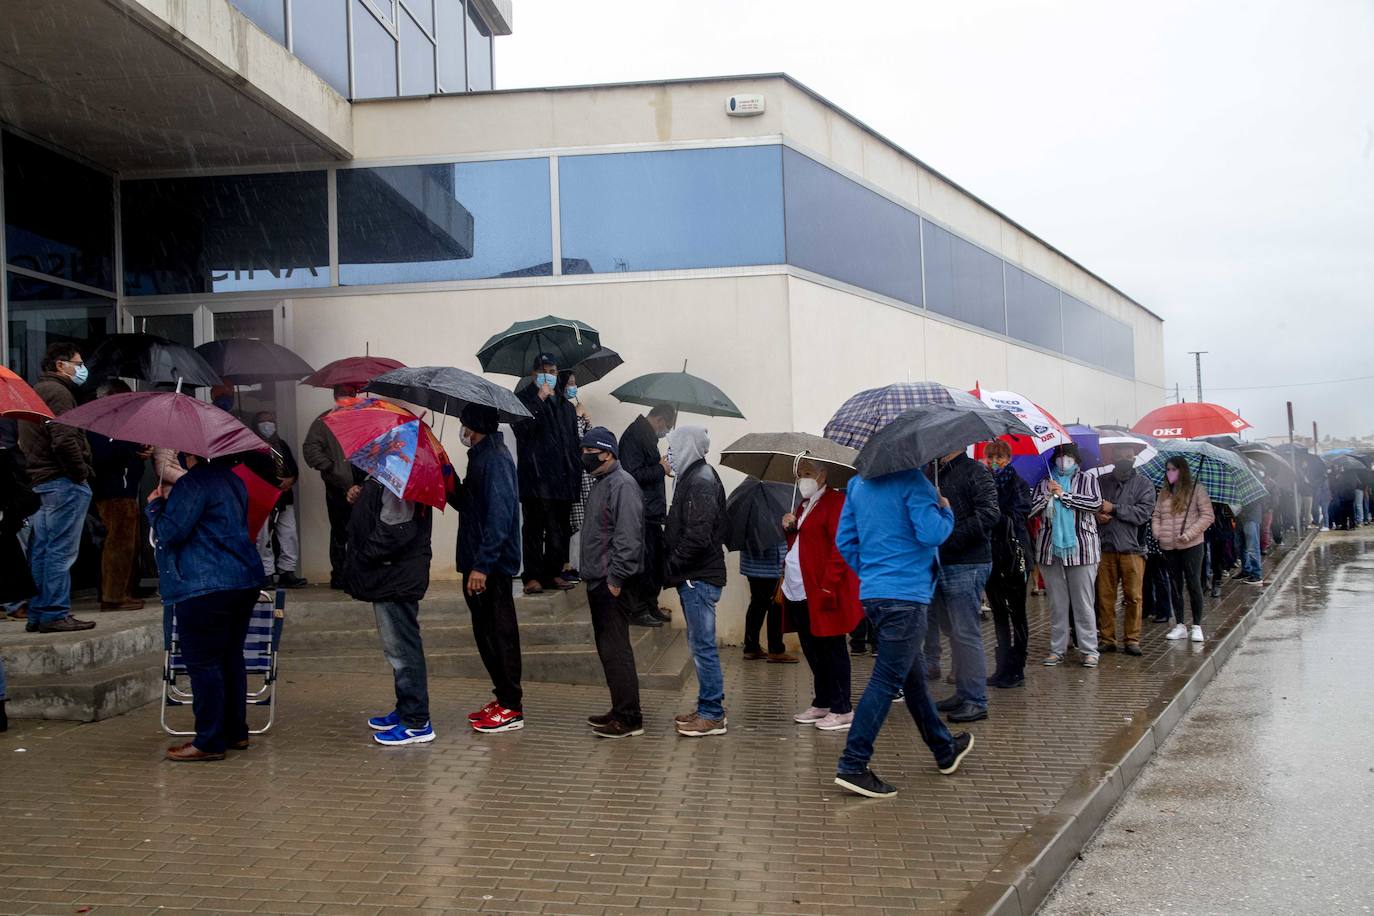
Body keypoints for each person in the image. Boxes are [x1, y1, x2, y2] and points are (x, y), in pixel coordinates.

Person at [832, 464, 972, 799]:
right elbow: (931, 534)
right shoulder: (914, 481)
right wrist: (946, 510)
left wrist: (873, 572)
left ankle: (943, 749)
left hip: (875, 594)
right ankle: (853, 764)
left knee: (914, 680)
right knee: (885, 681)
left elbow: (845, 540)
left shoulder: (857, 483)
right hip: (907, 596)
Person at [146, 453, 264, 761]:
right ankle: (236, 731)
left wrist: (156, 506)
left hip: (205, 584)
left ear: (190, 453)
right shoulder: (234, 480)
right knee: (229, 657)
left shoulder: (193, 483)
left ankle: (210, 740)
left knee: (204, 663)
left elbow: (171, 532)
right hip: (242, 579)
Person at [452, 404, 524, 734]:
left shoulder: (496, 459)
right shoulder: (481, 456)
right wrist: (445, 475)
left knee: (499, 634)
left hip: (490, 567)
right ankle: (502, 696)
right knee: (485, 634)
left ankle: (511, 705)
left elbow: (500, 515)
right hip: (476, 561)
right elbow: (471, 503)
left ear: (473, 426)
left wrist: (482, 565)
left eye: (464, 424)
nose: (462, 431)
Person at [348, 474, 436, 746]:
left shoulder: (401, 476)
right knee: (397, 647)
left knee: (402, 649)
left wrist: (363, 553)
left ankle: (416, 721)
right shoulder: (388, 474)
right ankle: (406, 709)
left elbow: (394, 529)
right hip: (393, 575)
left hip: (395, 576)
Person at [18, 342, 97, 633]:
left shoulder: (36, 391)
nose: (81, 369)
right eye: (77, 363)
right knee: (60, 552)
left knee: (42, 550)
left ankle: (39, 612)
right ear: (60, 365)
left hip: (42, 482)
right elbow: (64, 438)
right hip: (62, 482)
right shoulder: (60, 393)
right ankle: (54, 612)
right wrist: (80, 473)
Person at [782, 459, 861, 731]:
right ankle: (823, 700)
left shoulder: (835, 502)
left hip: (824, 589)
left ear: (823, 475)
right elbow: (803, 543)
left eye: (808, 474)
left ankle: (842, 707)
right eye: (800, 474)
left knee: (831, 648)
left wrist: (828, 585)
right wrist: (790, 528)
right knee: (812, 647)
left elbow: (841, 547)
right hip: (799, 588)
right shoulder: (804, 505)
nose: (802, 479)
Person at [578, 426, 646, 739]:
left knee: (617, 650)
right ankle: (620, 709)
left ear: (607, 453)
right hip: (598, 579)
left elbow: (628, 537)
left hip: (612, 583)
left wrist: (616, 577)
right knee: (609, 650)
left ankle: (629, 718)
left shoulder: (623, 485)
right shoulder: (603, 482)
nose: (585, 457)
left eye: (590, 452)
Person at [923, 450, 999, 723]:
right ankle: (964, 692)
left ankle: (976, 699)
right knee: (953, 631)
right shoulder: (931, 473)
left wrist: (950, 533)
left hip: (967, 562)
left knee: (966, 631)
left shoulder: (975, 471)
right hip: (941, 561)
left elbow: (990, 514)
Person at [663, 426, 729, 738]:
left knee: (703, 647)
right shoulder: (692, 477)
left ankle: (712, 714)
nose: (669, 455)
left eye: (673, 447)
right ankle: (707, 705)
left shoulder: (700, 480)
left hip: (698, 577)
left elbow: (698, 535)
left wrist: (671, 565)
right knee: (699, 645)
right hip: (694, 576)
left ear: (687, 446)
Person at [1030, 443, 1103, 668]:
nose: (1064, 461)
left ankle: (1089, 650)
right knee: (1057, 603)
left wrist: (1064, 496)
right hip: (1050, 550)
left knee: (1083, 602)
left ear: (1076, 459)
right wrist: (1048, 497)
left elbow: (1095, 503)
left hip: (1081, 548)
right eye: (1060, 457)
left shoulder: (1088, 479)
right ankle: (1057, 649)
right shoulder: (1044, 482)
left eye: (1069, 457)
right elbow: (1031, 509)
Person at [513, 354, 581, 595]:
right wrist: (539, 399)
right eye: (544, 370)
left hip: (562, 480)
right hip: (536, 480)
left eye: (553, 371)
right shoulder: (522, 400)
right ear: (534, 374)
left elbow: (572, 443)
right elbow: (522, 429)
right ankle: (532, 576)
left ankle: (553, 572)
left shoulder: (565, 406)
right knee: (533, 529)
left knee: (559, 530)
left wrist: (574, 478)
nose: (549, 375)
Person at [87, 380, 149, 611]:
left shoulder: (113, 423)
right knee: (118, 545)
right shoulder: (104, 424)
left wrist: (138, 454)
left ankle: (121, 590)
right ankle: (114, 596)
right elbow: (105, 455)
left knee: (124, 544)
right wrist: (133, 451)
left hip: (122, 488)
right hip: (115, 491)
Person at [1093, 445, 1156, 656]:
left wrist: (1115, 508)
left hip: (1133, 550)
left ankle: (1132, 640)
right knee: (1104, 597)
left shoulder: (1145, 484)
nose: (1123, 459)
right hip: (1105, 548)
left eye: (1127, 456)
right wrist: (1096, 516)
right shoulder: (1100, 482)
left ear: (1134, 457)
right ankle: (1107, 638)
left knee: (1134, 597)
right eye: (1119, 455)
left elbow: (1143, 513)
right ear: (1112, 456)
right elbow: (1091, 507)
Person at [618, 403, 677, 625]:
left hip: (651, 512)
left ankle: (650, 605)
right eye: (668, 426)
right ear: (660, 419)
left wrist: (659, 465)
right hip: (640, 512)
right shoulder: (635, 435)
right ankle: (637, 609)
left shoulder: (646, 436)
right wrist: (659, 469)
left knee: (654, 563)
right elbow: (631, 474)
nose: (667, 432)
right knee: (642, 563)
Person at [303, 385, 364, 589]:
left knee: (361, 531)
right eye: (343, 394)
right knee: (340, 532)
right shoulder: (325, 420)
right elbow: (310, 448)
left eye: (350, 394)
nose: (346, 398)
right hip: (337, 486)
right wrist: (330, 467)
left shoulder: (365, 417)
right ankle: (339, 575)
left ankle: (358, 574)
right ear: (335, 396)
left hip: (363, 485)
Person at [983, 441, 1032, 688]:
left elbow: (1019, 515)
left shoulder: (1018, 483)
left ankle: (1017, 667)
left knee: (1017, 612)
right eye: (990, 456)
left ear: (1008, 458)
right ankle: (1002, 665)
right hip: (992, 555)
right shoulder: (983, 482)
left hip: (1015, 554)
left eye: (999, 457)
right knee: (999, 613)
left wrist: (992, 512)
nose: (994, 461)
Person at [1152, 457, 1214, 644]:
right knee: (1174, 583)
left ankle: (1197, 625)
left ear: (1182, 471)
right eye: (1167, 469)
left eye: (1174, 469)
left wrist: (1189, 534)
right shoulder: (1163, 492)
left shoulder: (1196, 489)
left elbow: (1207, 516)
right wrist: (1158, 533)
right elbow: (1156, 515)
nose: (1170, 472)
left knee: (1193, 583)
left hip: (1191, 545)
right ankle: (1180, 624)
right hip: (1169, 546)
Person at [250, 410, 307, 589]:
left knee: (289, 534)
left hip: (284, 497)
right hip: (263, 498)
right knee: (264, 537)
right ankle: (266, 573)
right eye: (263, 421)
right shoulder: (251, 447)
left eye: (271, 420)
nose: (268, 424)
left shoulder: (281, 444)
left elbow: (293, 469)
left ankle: (287, 571)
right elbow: (251, 473)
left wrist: (290, 480)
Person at [562, 371, 592, 586]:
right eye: (570, 383)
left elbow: (589, 442)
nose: (574, 387)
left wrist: (586, 420)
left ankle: (578, 565)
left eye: (575, 383)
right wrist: (578, 417)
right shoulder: (563, 412)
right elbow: (576, 443)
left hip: (584, 478)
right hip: (570, 478)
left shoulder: (572, 410)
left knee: (583, 524)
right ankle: (569, 565)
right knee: (572, 524)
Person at [739, 540, 788, 660]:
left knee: (757, 605)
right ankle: (776, 650)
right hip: (770, 567)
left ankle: (751, 647)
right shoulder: (772, 522)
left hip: (751, 566)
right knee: (775, 606)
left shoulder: (747, 522)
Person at [1234, 497, 1265, 585]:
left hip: (1251, 517)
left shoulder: (1252, 488)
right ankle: (1246, 570)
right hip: (1239, 517)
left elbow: (1257, 501)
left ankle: (1256, 574)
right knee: (1240, 545)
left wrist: (1243, 511)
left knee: (1252, 547)